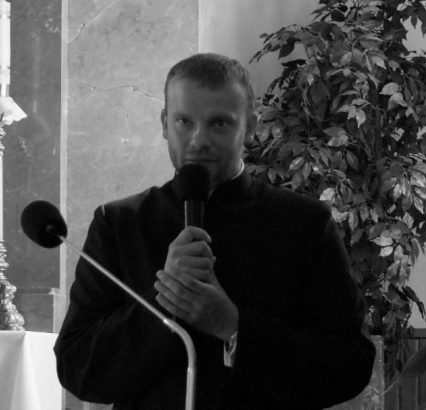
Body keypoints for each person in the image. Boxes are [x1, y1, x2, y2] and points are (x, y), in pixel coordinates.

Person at [54, 53, 375, 410]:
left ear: (249, 127)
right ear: (164, 123)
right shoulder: (119, 223)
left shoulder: (304, 223)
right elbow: (77, 368)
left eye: (219, 123)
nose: (198, 140)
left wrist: (233, 327)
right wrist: (164, 302)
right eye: (184, 121)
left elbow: (351, 363)